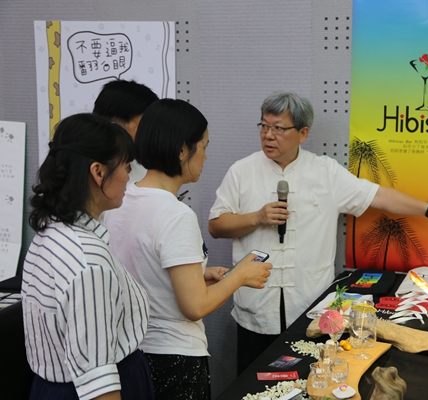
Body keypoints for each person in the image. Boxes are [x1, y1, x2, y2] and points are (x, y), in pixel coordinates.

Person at [208, 90, 428, 374]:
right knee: (252, 381)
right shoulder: (242, 172)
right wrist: (256, 218)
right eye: (264, 126)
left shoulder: (325, 172)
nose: (268, 135)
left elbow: (378, 196)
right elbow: (216, 225)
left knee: (312, 380)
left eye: (279, 128)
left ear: (303, 133)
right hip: (256, 308)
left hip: (310, 308)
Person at [102, 98, 272, 400]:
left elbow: (138, 265)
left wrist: (197, 274)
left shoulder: (121, 200)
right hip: (173, 357)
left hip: (129, 353)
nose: (205, 156)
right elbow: (194, 307)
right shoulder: (176, 214)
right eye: (203, 145)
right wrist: (240, 276)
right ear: (182, 150)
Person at [22, 113, 152, 400]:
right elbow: (98, 384)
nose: (129, 176)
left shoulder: (49, 231)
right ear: (98, 172)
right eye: (126, 166)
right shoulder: (88, 262)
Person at [93, 79, 159, 184]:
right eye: (143, 127)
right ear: (115, 127)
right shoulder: (86, 176)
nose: (150, 135)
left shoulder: (147, 171)